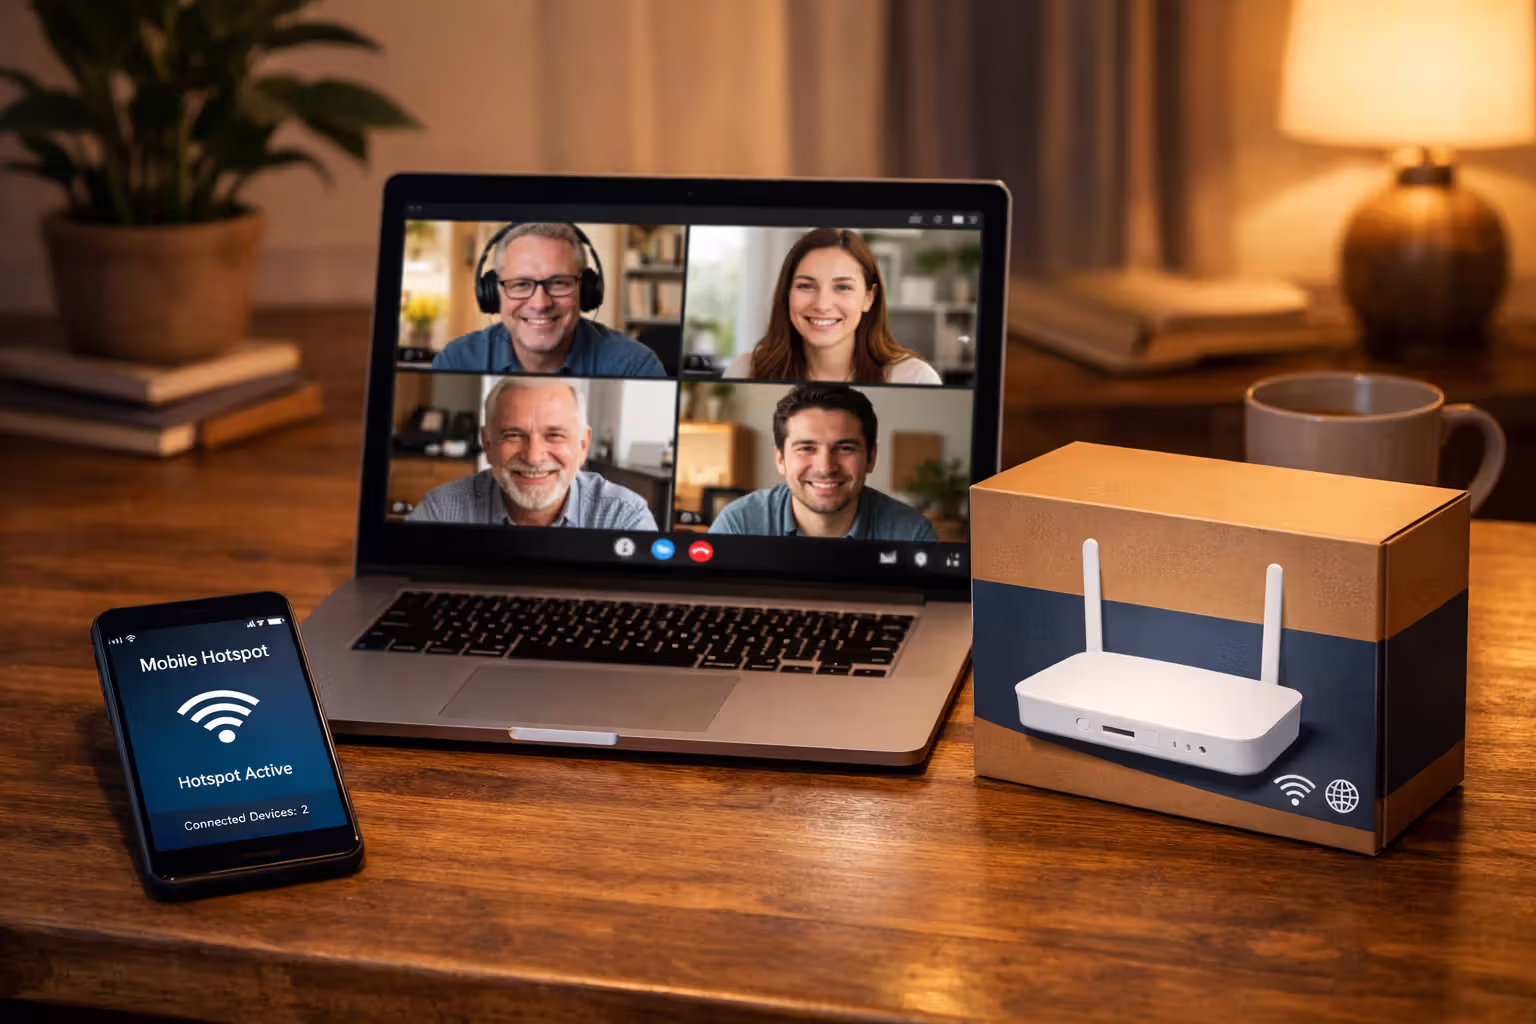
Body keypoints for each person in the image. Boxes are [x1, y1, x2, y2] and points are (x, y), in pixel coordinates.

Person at [409, 378, 657, 529]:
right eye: (513, 435)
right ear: (487, 443)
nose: (534, 457)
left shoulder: (624, 515)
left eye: (555, 435)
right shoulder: (441, 510)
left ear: (583, 445)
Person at [709, 383, 938, 541]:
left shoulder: (912, 532)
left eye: (844, 448)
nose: (825, 467)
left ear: (871, 458)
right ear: (780, 459)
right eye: (806, 448)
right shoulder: (738, 524)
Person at [432, 223, 666, 377]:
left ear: (584, 290)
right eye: (521, 285)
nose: (540, 304)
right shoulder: (457, 361)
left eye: (559, 283)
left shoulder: (634, 366)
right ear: (493, 293)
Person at [722, 228, 942, 385]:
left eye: (843, 287)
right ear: (787, 293)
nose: (822, 305)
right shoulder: (745, 371)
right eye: (806, 286)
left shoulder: (914, 377)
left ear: (869, 298)